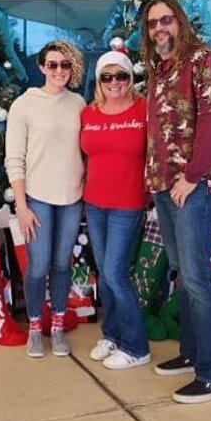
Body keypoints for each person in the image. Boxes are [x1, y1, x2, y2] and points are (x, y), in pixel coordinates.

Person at [142, 0, 211, 404]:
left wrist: (192, 175)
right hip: (165, 185)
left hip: (193, 187)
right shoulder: (160, 70)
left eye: (166, 19)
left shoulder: (204, 62)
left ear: (180, 22)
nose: (159, 27)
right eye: (151, 23)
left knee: (198, 277)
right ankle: (192, 353)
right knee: (183, 271)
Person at [5, 40, 85, 358]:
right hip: (37, 198)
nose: (59, 71)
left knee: (61, 264)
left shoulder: (79, 103)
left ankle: (58, 326)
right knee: (38, 266)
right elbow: (14, 159)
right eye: (52, 65)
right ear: (41, 67)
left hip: (71, 197)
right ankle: (35, 329)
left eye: (65, 65)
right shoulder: (24, 105)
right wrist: (21, 206)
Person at [80, 48, 149, 370]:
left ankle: (136, 347)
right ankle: (111, 334)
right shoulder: (88, 113)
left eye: (120, 75)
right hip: (94, 203)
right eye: (107, 76)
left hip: (128, 204)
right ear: (98, 80)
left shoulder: (143, 109)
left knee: (115, 274)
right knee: (105, 277)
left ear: (130, 78)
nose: (114, 82)